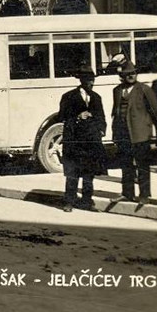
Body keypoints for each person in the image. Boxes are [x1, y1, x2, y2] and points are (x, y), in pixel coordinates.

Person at [58, 65, 108, 212]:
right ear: (81, 80)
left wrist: (101, 130)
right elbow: (61, 117)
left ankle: (87, 201)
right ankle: (69, 201)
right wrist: (78, 117)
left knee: (89, 173)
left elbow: (102, 117)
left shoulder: (96, 97)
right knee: (72, 173)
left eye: (92, 80)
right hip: (74, 141)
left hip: (91, 141)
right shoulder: (68, 97)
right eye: (88, 80)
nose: (91, 83)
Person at [111, 61, 157, 204]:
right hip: (123, 134)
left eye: (133, 73)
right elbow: (115, 112)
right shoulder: (117, 90)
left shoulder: (144, 89)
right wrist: (115, 132)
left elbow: (155, 112)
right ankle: (127, 193)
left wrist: (154, 133)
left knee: (142, 165)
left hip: (140, 134)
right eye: (127, 74)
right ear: (122, 76)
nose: (131, 76)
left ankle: (144, 195)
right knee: (125, 164)